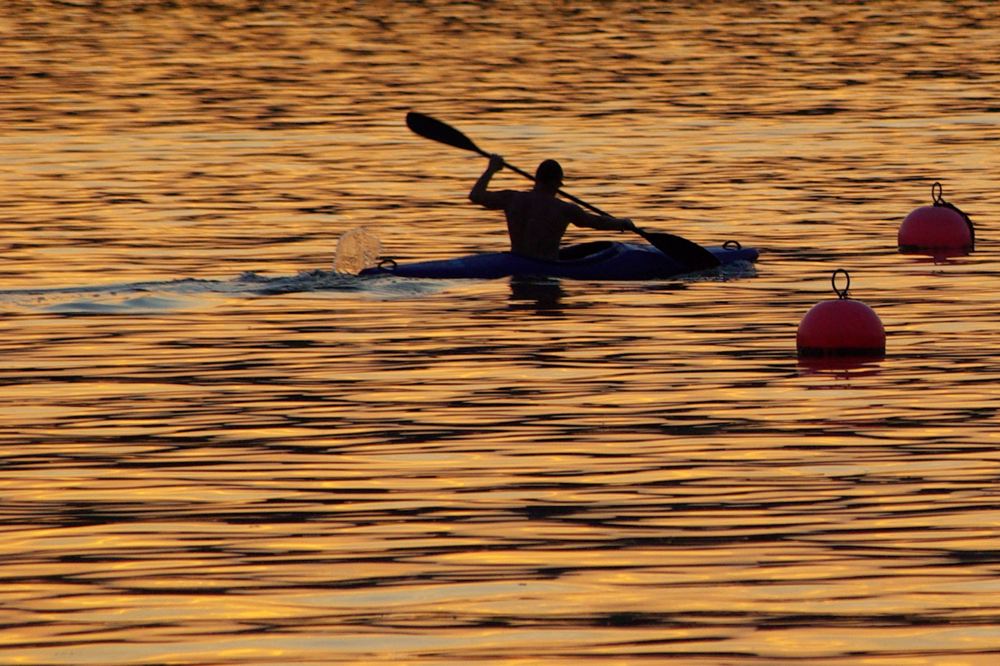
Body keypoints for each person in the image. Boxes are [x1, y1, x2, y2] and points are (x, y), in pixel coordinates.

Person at [469, 154, 636, 261]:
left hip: (516, 262)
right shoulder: (564, 209)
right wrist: (622, 223)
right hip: (547, 270)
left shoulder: (512, 198)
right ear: (557, 183)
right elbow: (596, 222)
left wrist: (491, 170)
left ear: (536, 180)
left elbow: (475, 195)